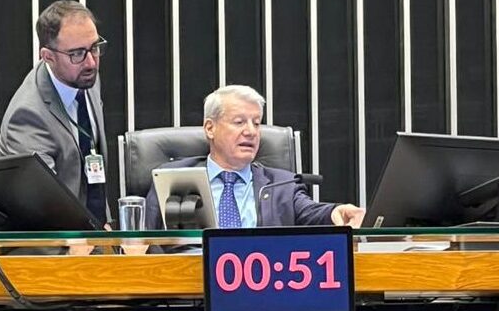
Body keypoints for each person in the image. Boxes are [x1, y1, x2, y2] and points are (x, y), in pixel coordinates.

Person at [144, 85, 365, 228]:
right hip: (188, 290)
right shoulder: (171, 178)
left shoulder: (281, 185)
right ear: (210, 128)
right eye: (239, 122)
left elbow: (311, 212)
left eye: (256, 123)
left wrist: (336, 211)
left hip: (264, 291)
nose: (250, 131)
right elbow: (145, 240)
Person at [0, 0, 110, 225]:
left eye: (95, 47)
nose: (91, 62)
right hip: (55, 242)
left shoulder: (84, 76)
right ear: (48, 57)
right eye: (77, 53)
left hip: (94, 230)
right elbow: (45, 208)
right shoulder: (27, 117)